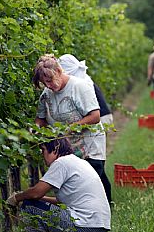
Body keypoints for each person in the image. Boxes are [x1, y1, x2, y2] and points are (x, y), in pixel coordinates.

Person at [6, 137, 111, 232]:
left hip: (85, 228)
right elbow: (60, 201)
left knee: (29, 206)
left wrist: (17, 197)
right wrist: (39, 199)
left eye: (43, 150)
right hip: (98, 231)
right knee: (43, 220)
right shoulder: (79, 162)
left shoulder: (62, 163)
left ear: (55, 148)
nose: (42, 155)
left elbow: (36, 192)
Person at [32, 54, 107, 183]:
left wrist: (72, 128)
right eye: (44, 83)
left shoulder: (79, 87)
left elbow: (95, 116)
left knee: (92, 181)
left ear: (59, 71)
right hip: (68, 148)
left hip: (89, 145)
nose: (48, 85)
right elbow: (40, 118)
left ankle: (107, 203)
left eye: (49, 80)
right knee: (76, 184)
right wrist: (36, 131)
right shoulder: (46, 94)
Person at [57, 54, 113, 205]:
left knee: (94, 165)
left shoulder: (80, 82)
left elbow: (92, 114)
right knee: (96, 166)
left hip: (100, 119)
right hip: (101, 118)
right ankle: (106, 202)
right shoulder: (82, 77)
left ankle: (100, 203)